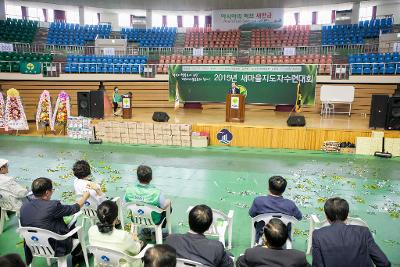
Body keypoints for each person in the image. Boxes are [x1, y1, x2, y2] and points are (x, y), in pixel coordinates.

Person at [20, 177, 90, 266]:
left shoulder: (24, 207)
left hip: (33, 245)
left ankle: (78, 254)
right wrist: (84, 197)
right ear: (47, 192)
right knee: (72, 223)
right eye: (52, 189)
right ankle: (78, 255)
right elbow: (74, 208)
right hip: (55, 246)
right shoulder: (53, 205)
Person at [312, 197, 391, 267]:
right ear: (347, 215)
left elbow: (318, 264)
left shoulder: (318, 235)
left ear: (327, 216)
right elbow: (384, 263)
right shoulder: (363, 232)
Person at [166, 204, 233, 267]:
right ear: (209, 226)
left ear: (189, 221)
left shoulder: (171, 239)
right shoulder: (216, 247)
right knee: (229, 256)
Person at [236, 218, 310, 267]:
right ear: (286, 238)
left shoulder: (252, 254)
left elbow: (239, 263)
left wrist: (259, 247)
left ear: (265, 239)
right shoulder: (298, 257)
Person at [88, 200, 142, 267]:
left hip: (101, 264)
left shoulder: (91, 230)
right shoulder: (123, 236)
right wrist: (136, 239)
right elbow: (136, 250)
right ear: (116, 218)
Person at [249, 176, 302, 243]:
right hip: (283, 237)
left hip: (262, 234)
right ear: (284, 190)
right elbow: (299, 217)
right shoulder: (290, 204)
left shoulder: (258, 201)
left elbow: (252, 214)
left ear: (269, 187)